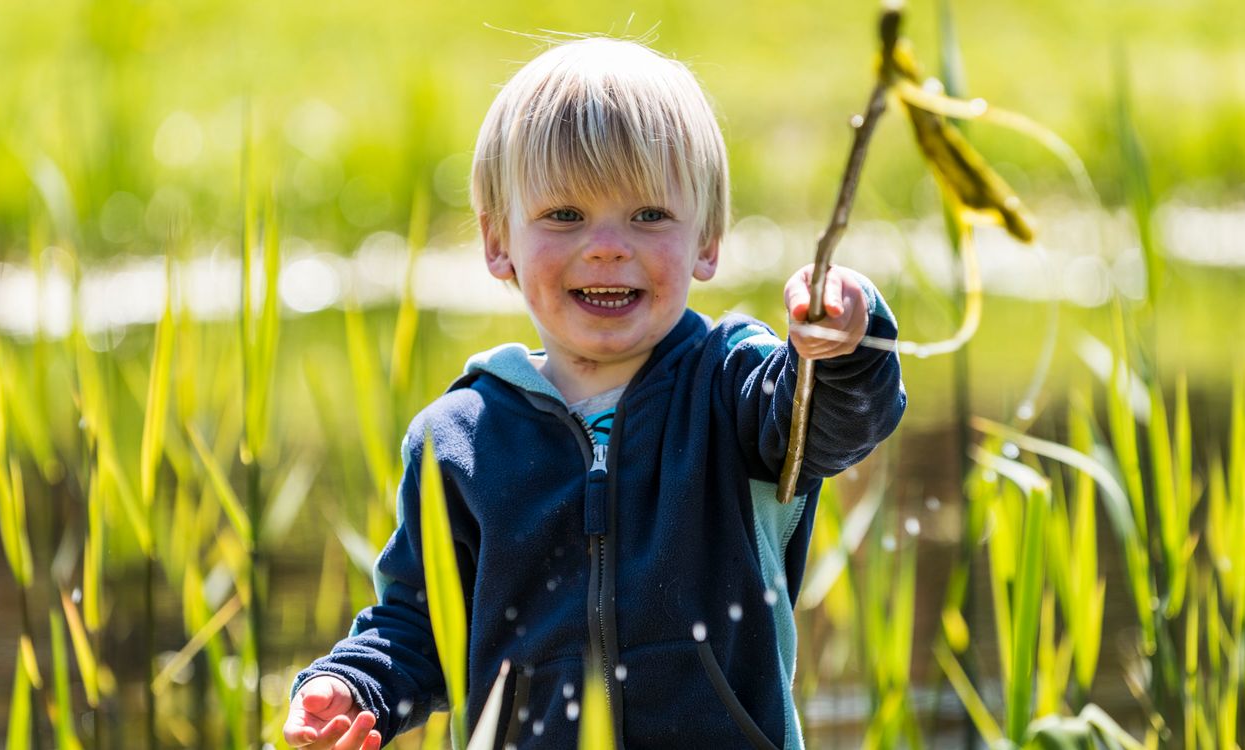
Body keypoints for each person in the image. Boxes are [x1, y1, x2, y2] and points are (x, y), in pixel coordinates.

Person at [284, 37, 905, 750]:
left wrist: (844, 343)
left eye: (648, 215)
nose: (607, 246)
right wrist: (352, 688)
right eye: (565, 216)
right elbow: (419, 625)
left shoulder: (737, 389)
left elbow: (837, 420)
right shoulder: (459, 438)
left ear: (707, 239)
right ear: (498, 243)